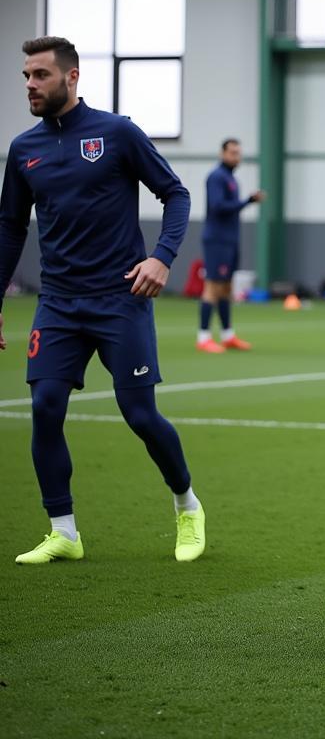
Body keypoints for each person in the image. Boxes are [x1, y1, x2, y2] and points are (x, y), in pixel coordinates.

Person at [0, 36, 205, 565]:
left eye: (40, 75)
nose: (30, 84)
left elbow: (175, 193)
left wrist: (161, 257)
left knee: (139, 414)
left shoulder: (117, 133)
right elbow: (9, 228)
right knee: (45, 408)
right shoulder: (24, 150)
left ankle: (187, 505)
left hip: (121, 298)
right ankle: (63, 529)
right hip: (59, 303)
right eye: (26, 75)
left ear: (71, 78)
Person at [196, 138, 264, 353]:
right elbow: (218, 207)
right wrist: (247, 201)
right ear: (222, 154)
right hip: (217, 240)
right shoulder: (216, 177)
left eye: (238, 152)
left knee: (226, 288)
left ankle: (227, 335)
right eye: (232, 152)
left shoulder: (231, 179)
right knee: (213, 287)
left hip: (230, 240)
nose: (237, 157)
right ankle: (203, 337)